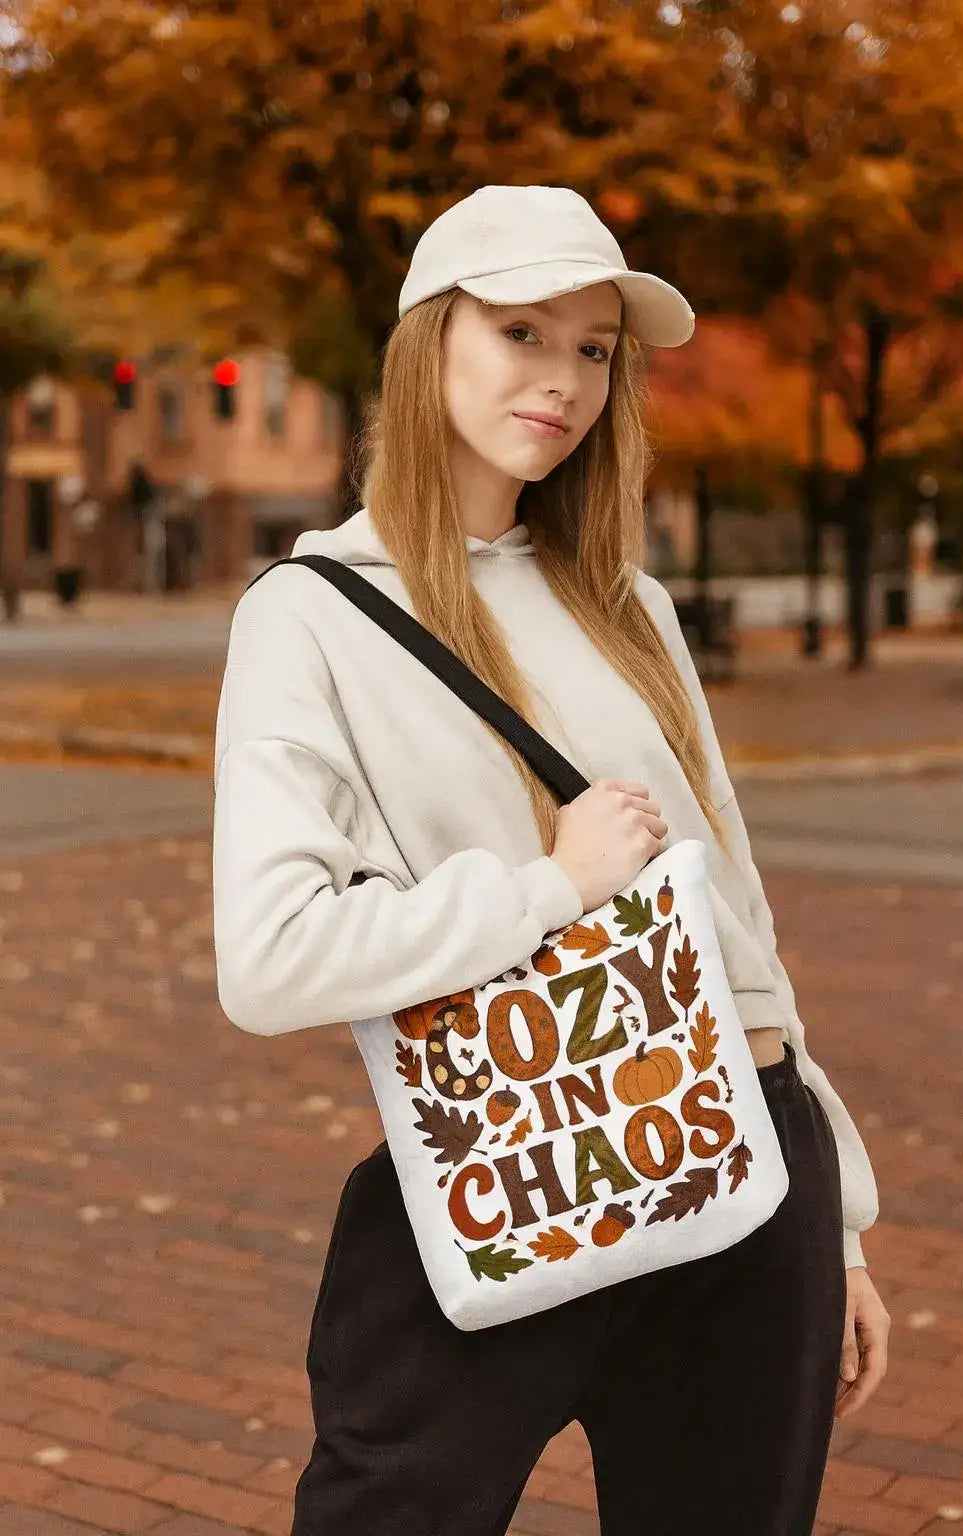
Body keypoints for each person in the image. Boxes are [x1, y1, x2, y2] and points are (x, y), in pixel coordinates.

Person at [212, 184, 888, 1536]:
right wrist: (549, 889)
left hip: (743, 1173)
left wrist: (843, 1226)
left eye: (593, 349)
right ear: (430, 343)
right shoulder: (314, 614)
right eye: (521, 331)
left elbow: (735, 917)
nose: (564, 380)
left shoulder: (629, 603)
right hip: (502, 1173)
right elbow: (271, 957)